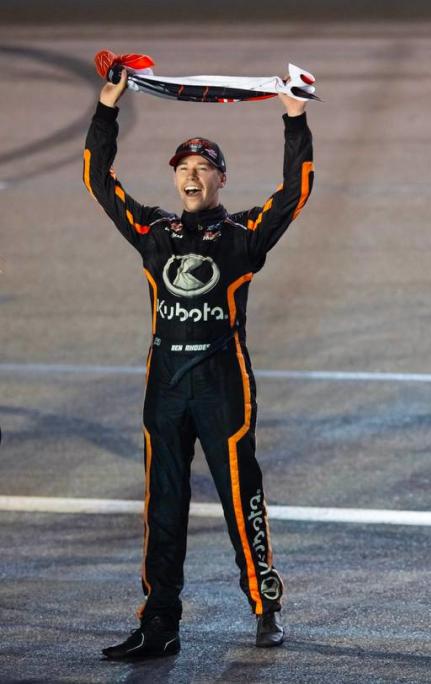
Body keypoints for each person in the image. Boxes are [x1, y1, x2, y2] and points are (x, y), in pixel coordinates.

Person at [83, 68, 313, 659]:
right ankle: (160, 623)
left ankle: (266, 608)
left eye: (202, 167)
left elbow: (296, 191)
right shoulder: (151, 232)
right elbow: (97, 178)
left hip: (223, 388)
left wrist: (294, 117)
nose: (190, 174)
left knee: (243, 500)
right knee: (163, 506)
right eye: (182, 167)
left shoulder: (243, 237)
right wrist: (108, 104)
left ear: (220, 179)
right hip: (165, 390)